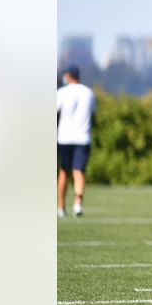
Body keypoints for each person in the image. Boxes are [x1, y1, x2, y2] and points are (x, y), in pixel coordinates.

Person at [56, 65, 95, 218]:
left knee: (64, 171)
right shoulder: (88, 93)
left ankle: (60, 206)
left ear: (69, 76)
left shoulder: (62, 92)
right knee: (79, 171)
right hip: (83, 137)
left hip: (64, 137)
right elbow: (93, 115)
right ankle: (77, 204)